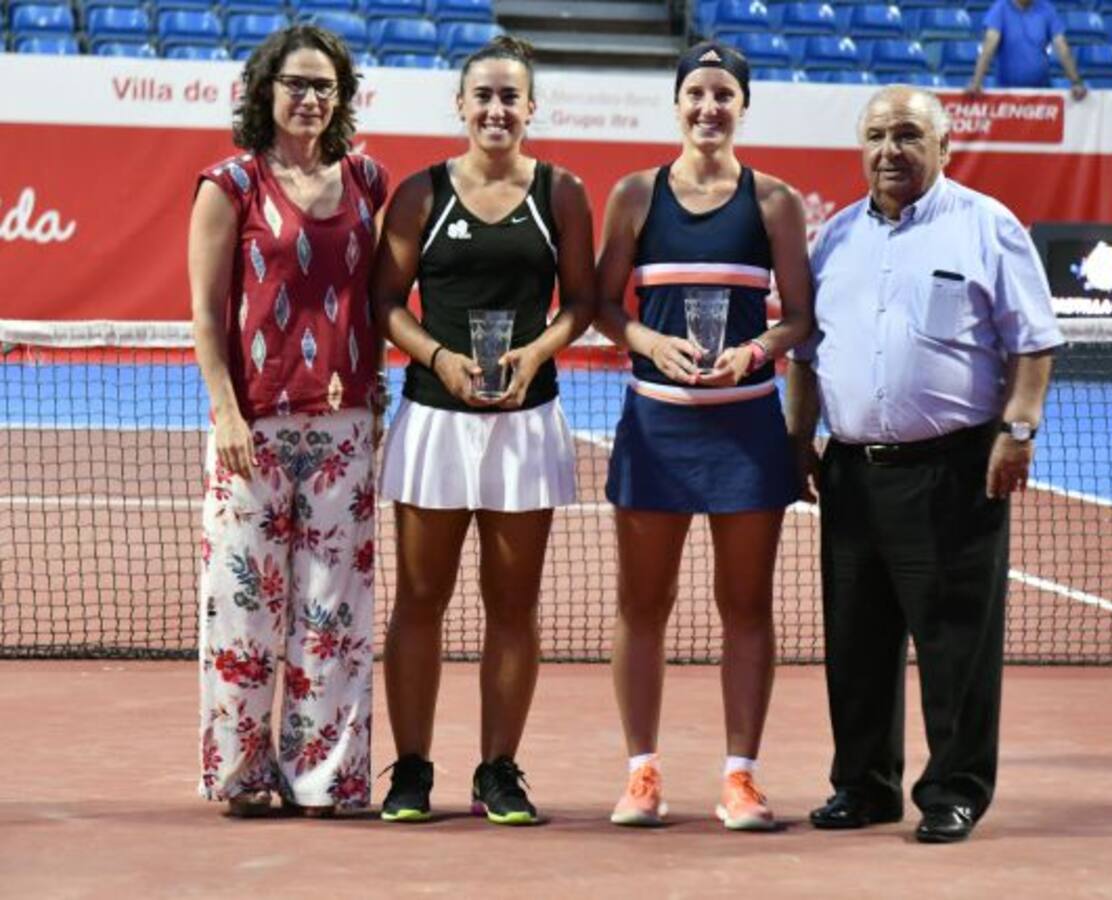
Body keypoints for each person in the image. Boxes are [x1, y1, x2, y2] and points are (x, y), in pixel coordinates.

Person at [787, 85, 1063, 843]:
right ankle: (864, 786)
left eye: (908, 135)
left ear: (943, 146)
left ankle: (953, 791)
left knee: (955, 644)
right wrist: (797, 439)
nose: (890, 151)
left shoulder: (987, 226)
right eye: (877, 136)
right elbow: (807, 356)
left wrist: (1019, 430)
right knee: (856, 642)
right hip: (850, 473)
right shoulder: (834, 237)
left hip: (954, 471)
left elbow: (1034, 342)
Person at [370, 36, 595, 826]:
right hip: (435, 419)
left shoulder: (562, 192)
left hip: (526, 426)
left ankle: (498, 770)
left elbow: (582, 303)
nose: (497, 110)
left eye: (510, 97)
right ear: (461, 106)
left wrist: (534, 355)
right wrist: (438, 355)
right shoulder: (420, 194)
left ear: (531, 108)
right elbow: (385, 302)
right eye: (484, 96)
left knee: (512, 606)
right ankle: (412, 768)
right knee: (419, 600)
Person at [594, 41, 813, 831]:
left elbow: (799, 318)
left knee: (746, 605)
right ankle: (641, 774)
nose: (709, 107)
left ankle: (740, 778)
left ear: (743, 107)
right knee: (641, 604)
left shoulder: (775, 202)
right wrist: (648, 342)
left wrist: (754, 352)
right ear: (677, 103)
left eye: (724, 94)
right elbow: (601, 305)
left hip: (746, 433)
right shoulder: (635, 195)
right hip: (655, 428)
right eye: (697, 93)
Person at [189, 24, 389, 817]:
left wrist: (376, 395)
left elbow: (375, 300)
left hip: (344, 428)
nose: (310, 98)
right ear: (265, 91)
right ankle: (242, 775)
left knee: (334, 612)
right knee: (244, 607)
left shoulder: (368, 179)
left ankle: (324, 779)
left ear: (342, 97)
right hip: (254, 429)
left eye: (324, 86)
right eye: (296, 84)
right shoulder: (229, 185)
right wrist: (226, 413)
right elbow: (206, 314)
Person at [966, 0, 1088, 99]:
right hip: (1006, 95)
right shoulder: (1000, 8)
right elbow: (989, 46)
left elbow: (1062, 47)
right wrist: (977, 81)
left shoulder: (1046, 9)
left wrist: (1076, 82)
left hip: (1041, 95)